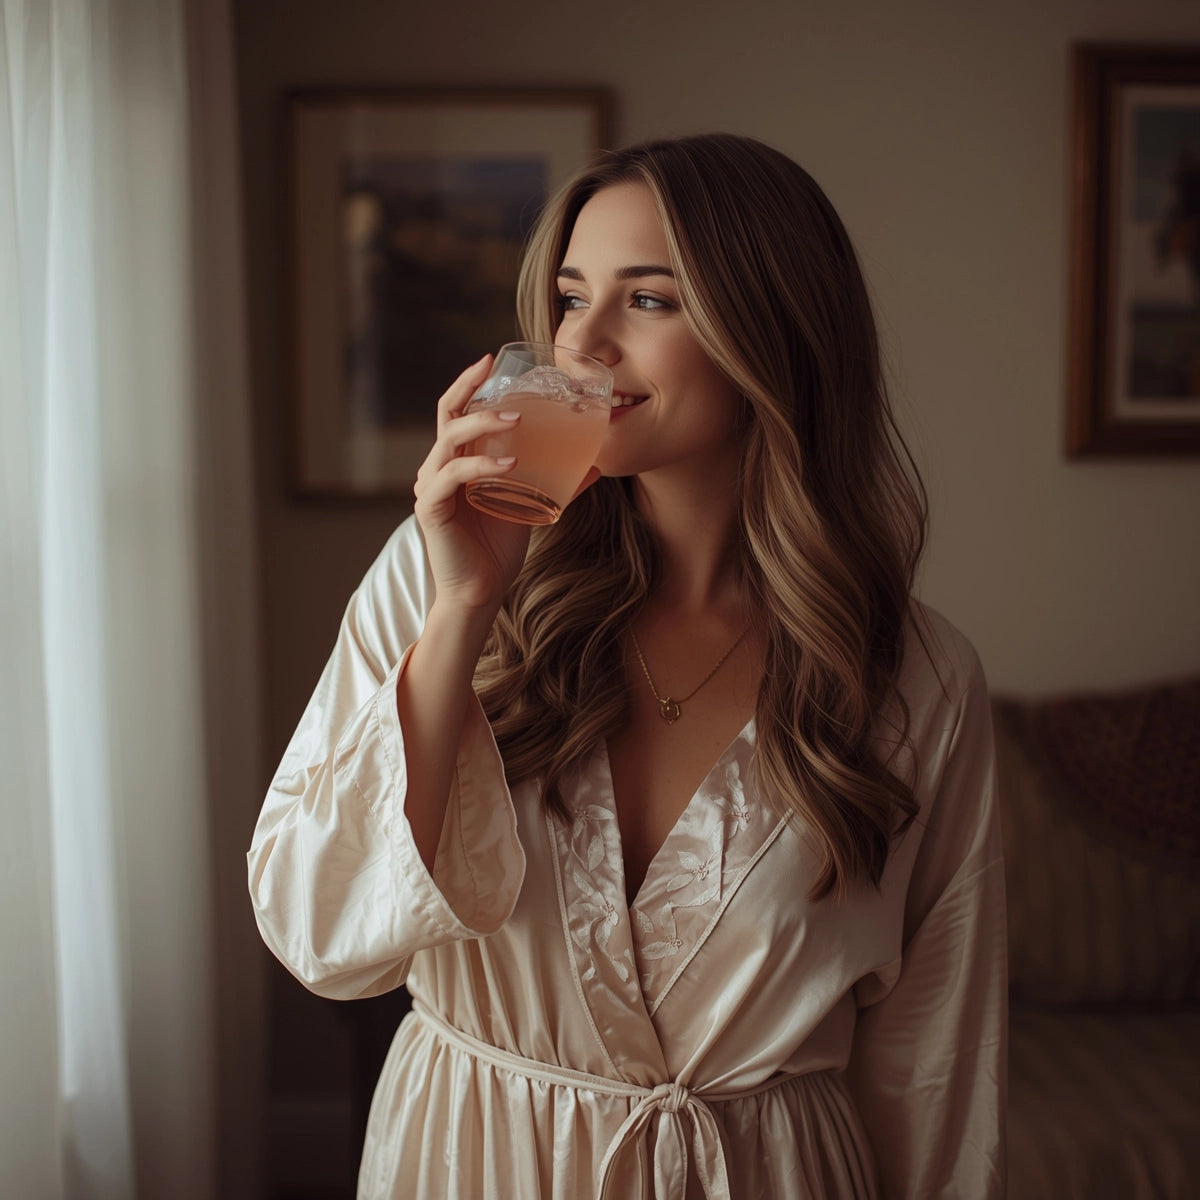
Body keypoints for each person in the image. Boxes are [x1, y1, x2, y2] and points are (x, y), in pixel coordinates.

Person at [248, 133, 1007, 1199]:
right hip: (471, 1165)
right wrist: (465, 608)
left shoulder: (916, 677)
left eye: (649, 301)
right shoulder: (438, 578)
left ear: (773, 334)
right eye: (570, 296)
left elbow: (934, 1065)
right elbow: (323, 936)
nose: (584, 343)